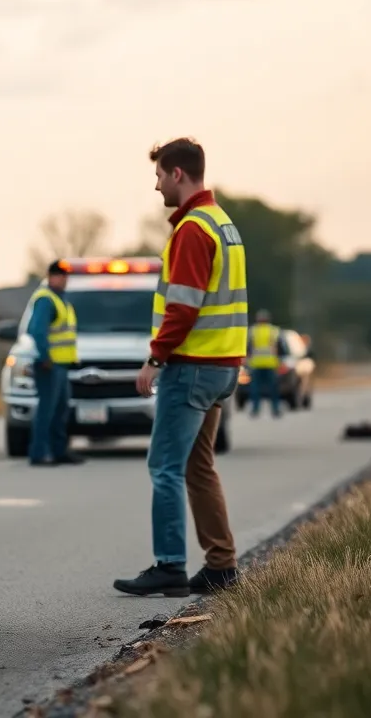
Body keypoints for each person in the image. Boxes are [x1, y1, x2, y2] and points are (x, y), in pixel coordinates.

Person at [115, 137, 245, 597]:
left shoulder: (192, 229)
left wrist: (155, 358)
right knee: (198, 465)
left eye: (157, 176)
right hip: (221, 366)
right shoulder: (222, 223)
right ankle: (222, 566)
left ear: (177, 174)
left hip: (191, 367)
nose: (155, 187)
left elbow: (183, 308)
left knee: (164, 466)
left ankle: (170, 565)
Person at [25, 261, 85, 466]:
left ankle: (59, 451)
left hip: (61, 365)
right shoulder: (46, 299)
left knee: (60, 410)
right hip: (48, 366)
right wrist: (45, 357)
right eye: (60, 275)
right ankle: (39, 453)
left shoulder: (61, 300)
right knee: (47, 410)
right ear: (50, 276)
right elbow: (37, 331)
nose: (64, 278)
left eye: (66, 275)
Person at [247, 309, 283, 418]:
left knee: (255, 389)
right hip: (270, 364)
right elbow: (279, 347)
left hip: (256, 363)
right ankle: (275, 409)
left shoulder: (253, 331)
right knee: (273, 389)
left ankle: (255, 409)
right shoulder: (273, 330)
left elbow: (248, 347)